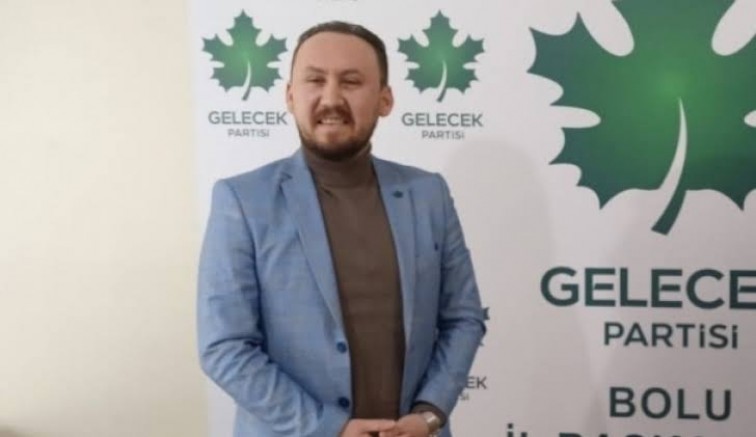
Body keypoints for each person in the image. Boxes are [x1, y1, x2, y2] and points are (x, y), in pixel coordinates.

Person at [198, 21, 486, 437]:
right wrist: (329, 428)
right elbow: (224, 346)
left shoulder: (428, 194)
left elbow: (463, 318)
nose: (331, 98)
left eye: (351, 82)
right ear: (290, 96)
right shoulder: (242, 200)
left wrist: (429, 414)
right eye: (315, 80)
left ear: (385, 99)